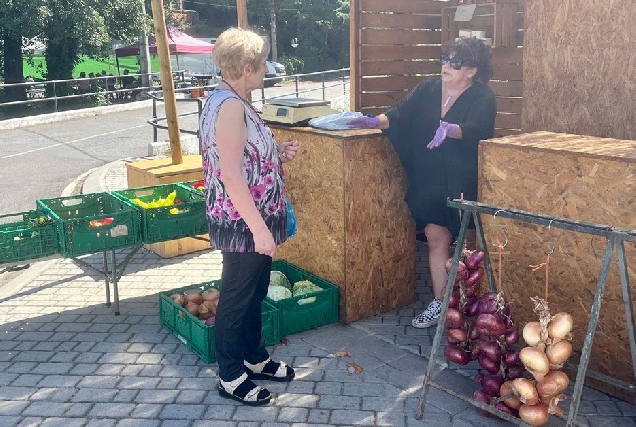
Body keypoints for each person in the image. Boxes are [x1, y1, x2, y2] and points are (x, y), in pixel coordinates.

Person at [348, 37, 497, 329]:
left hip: (463, 178)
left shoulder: (483, 96)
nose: (446, 65)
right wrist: (372, 121)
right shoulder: (428, 89)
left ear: (472, 70)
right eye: (445, 58)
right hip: (429, 179)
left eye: (455, 62)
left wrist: (452, 129)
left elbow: (478, 128)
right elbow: (399, 114)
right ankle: (441, 304)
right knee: (435, 238)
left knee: (466, 243)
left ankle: (468, 305)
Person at [198, 27, 300, 406]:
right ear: (246, 67)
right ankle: (230, 375)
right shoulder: (229, 106)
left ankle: (254, 358)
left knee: (255, 293)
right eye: (261, 65)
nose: (266, 70)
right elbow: (229, 174)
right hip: (243, 225)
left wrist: (277, 153)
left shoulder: (234, 101)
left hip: (254, 220)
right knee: (237, 299)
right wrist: (259, 230)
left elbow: (245, 156)